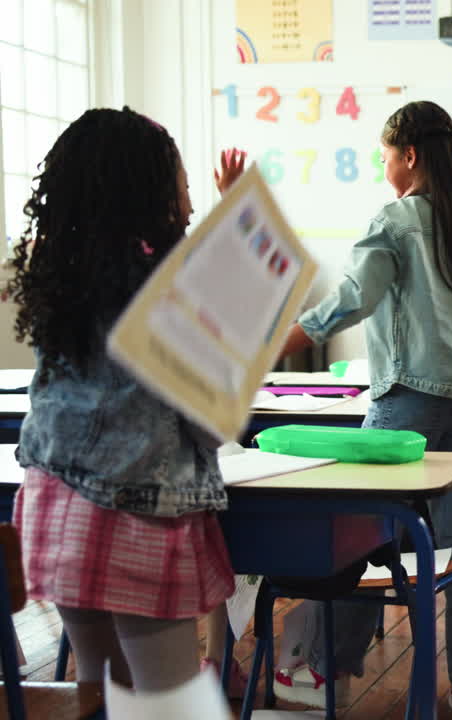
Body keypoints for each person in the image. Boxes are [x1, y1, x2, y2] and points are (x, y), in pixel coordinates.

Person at [272, 100, 452, 715]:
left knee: (359, 539)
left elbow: (352, 301)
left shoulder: (395, 223)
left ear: (410, 156)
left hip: (404, 410)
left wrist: (280, 338)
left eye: (385, 157)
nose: (384, 168)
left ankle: (325, 672)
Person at [6, 108, 243, 692]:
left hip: (54, 503)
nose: (190, 206)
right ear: (156, 200)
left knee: (99, 688)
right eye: (185, 191)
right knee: (169, 699)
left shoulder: (62, 279)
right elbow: (212, 424)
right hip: (141, 515)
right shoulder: (176, 291)